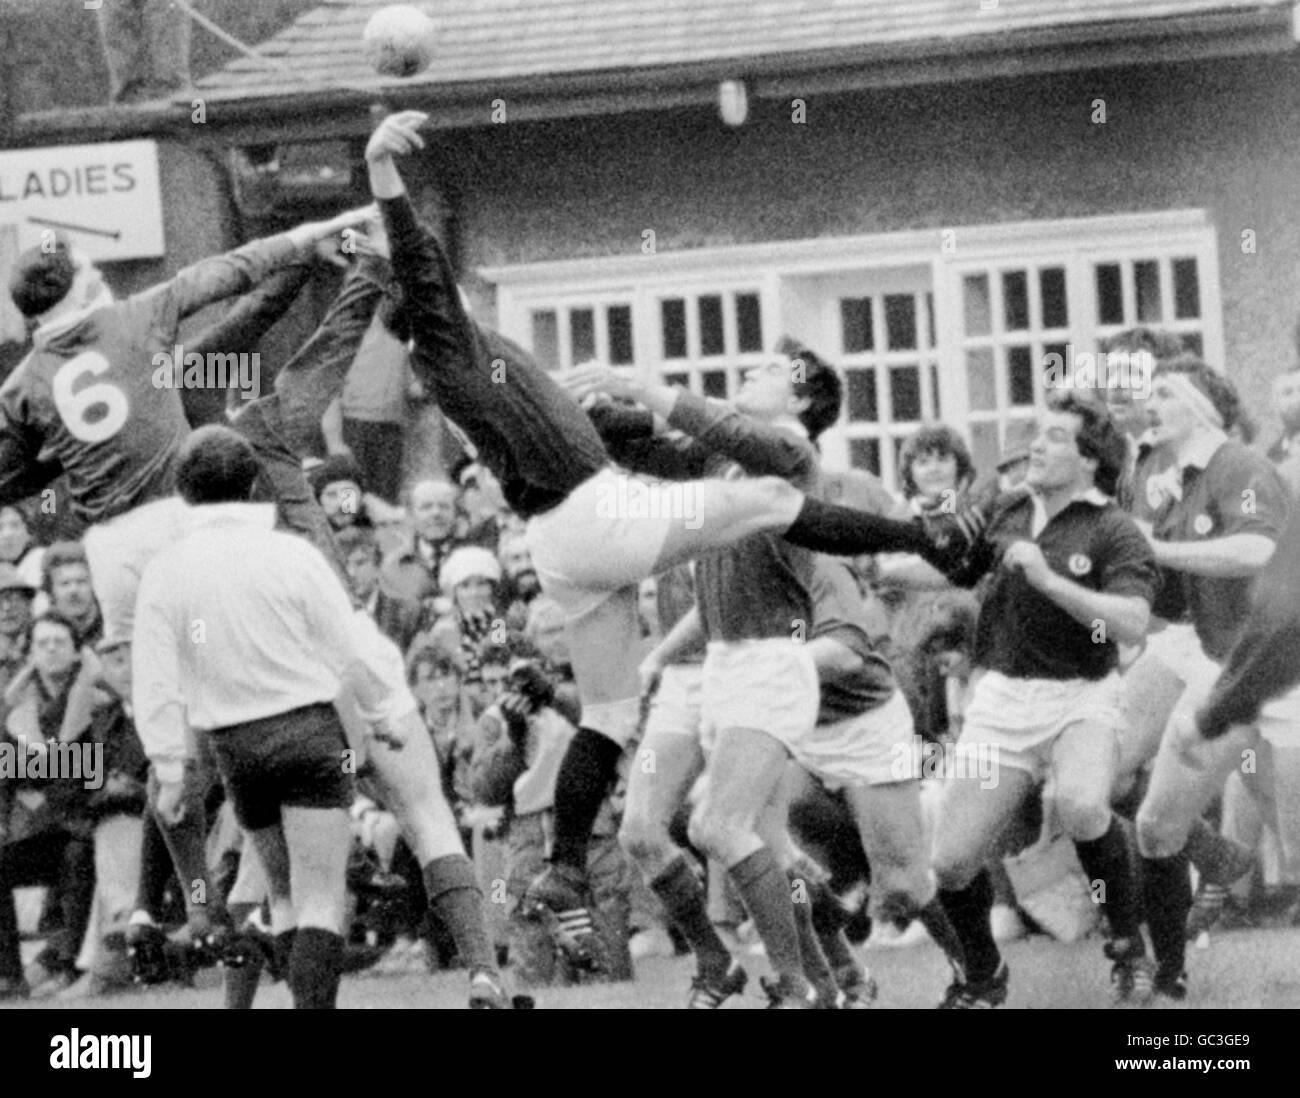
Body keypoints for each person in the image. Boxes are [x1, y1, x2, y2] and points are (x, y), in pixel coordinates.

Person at [361, 108, 986, 962]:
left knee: (622, 720)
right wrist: (385, 180)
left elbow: (698, 436)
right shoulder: (458, 341)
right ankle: (931, 534)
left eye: (776, 369)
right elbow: (427, 268)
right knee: (717, 816)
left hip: (576, 548)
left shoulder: (785, 446)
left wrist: (623, 392)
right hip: (630, 555)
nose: (758, 367)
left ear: (805, 403)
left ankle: (565, 870)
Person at [130, 426, 401, 1009]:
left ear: (182, 491)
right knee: (322, 897)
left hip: (234, 748)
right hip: (308, 733)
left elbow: (152, 679)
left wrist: (169, 769)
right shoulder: (292, 554)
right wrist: (382, 714)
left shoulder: (168, 568)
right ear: (255, 485)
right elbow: (348, 647)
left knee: (281, 897)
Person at [928, 394, 1158, 1008]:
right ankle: (983, 974)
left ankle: (1128, 946)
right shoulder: (1005, 508)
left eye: (1055, 437)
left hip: (1082, 694)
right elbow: (947, 568)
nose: (1035, 444)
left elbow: (1132, 623)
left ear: (1089, 461)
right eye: (1038, 433)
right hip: (1002, 698)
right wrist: (874, 563)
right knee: (949, 862)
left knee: (1083, 805)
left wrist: (1050, 580)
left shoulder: (1113, 528)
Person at [1126, 357, 1292, 997]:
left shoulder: (1241, 468)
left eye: (1164, 391)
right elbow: (1166, 600)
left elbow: (1259, 550)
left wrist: (1157, 550)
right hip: (1222, 670)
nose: (1148, 401)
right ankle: (1167, 980)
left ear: (1204, 406)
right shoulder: (1170, 481)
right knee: (1155, 826)